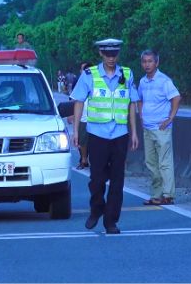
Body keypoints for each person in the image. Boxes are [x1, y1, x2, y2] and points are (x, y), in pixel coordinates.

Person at [70, 38, 139, 235]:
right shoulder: (89, 75)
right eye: (107, 54)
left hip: (120, 133)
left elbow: (131, 104)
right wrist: (76, 131)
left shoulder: (127, 73)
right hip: (97, 134)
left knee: (118, 181)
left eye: (114, 54)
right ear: (101, 53)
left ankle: (111, 222)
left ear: (118, 54)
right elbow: (78, 102)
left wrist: (134, 132)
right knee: (96, 179)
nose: (111, 58)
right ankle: (96, 208)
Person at [137, 49, 181, 206]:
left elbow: (176, 97)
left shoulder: (164, 81)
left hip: (162, 127)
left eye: (150, 61)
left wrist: (170, 117)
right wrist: (141, 114)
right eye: (144, 61)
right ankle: (156, 194)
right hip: (147, 127)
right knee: (151, 163)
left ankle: (168, 194)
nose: (147, 64)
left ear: (156, 62)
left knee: (164, 162)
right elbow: (139, 99)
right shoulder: (143, 82)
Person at [75, 62, 91, 169]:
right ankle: (84, 159)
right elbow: (74, 101)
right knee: (82, 141)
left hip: (96, 118)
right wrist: (72, 115)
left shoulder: (99, 82)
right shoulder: (78, 83)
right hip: (83, 117)